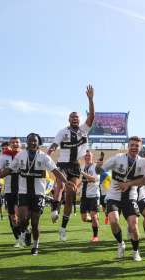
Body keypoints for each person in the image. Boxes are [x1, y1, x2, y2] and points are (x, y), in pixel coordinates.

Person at [0, 133, 75, 255]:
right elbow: (8, 171)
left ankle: (35, 246)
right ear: (27, 142)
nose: (32, 143)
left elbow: (55, 171)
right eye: (30, 141)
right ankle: (25, 232)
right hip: (23, 193)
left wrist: (66, 182)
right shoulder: (20, 155)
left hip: (38, 194)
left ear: (38, 143)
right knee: (22, 220)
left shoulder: (44, 157)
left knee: (35, 222)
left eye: (35, 141)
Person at [97, 136, 145, 262]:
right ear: (128, 146)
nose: (134, 147)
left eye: (136, 145)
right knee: (113, 221)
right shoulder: (118, 158)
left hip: (131, 197)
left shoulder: (143, 162)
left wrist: (129, 184)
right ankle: (120, 243)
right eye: (132, 145)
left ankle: (135, 252)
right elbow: (99, 171)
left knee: (133, 226)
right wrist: (99, 165)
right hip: (113, 196)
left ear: (140, 147)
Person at [48, 85, 96, 228]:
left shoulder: (83, 129)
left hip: (75, 165)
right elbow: (55, 144)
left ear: (79, 119)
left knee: (70, 195)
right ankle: (55, 208)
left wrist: (91, 99)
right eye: (72, 117)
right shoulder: (63, 132)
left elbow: (92, 116)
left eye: (77, 117)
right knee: (61, 184)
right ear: (69, 119)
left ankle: (63, 227)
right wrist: (49, 153)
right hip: (63, 164)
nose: (75, 119)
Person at [78, 150, 102, 242]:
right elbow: (83, 180)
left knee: (93, 216)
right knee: (84, 218)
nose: (87, 157)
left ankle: (95, 236)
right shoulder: (82, 166)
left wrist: (82, 173)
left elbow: (93, 179)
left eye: (89, 156)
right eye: (86, 156)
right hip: (84, 196)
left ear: (92, 157)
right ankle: (95, 221)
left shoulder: (95, 167)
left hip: (93, 195)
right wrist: (77, 186)